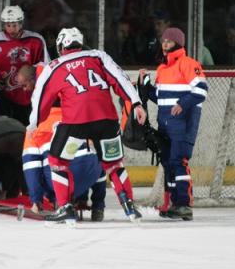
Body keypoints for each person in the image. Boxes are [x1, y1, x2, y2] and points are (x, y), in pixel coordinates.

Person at [29, 27, 146, 224]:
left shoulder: (54, 66)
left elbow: (41, 98)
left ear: (60, 45)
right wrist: (136, 102)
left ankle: (65, 207)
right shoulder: (98, 56)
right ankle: (129, 206)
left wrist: (34, 123)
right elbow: (120, 78)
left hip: (76, 124)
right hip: (106, 122)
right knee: (114, 165)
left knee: (58, 162)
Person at [17, 65, 106, 221]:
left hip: (61, 179)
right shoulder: (78, 117)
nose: (24, 90)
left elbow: (31, 167)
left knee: (45, 165)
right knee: (95, 156)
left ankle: (59, 200)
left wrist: (36, 200)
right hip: (90, 175)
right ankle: (97, 207)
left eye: (25, 85)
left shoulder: (36, 126)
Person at [139, 27, 208, 221]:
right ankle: (176, 204)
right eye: (163, 41)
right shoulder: (162, 69)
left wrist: (182, 104)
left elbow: (201, 90)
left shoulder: (188, 64)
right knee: (169, 163)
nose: (165, 44)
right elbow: (159, 98)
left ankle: (184, 205)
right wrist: (145, 86)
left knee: (179, 162)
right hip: (166, 125)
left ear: (178, 43)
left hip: (183, 124)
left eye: (169, 41)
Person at [0, 5, 49, 125]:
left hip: (28, 97)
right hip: (1, 97)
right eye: (8, 25)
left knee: (27, 131)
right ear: (3, 25)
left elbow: (45, 68)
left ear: (21, 23)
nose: (11, 29)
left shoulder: (36, 40)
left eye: (15, 25)